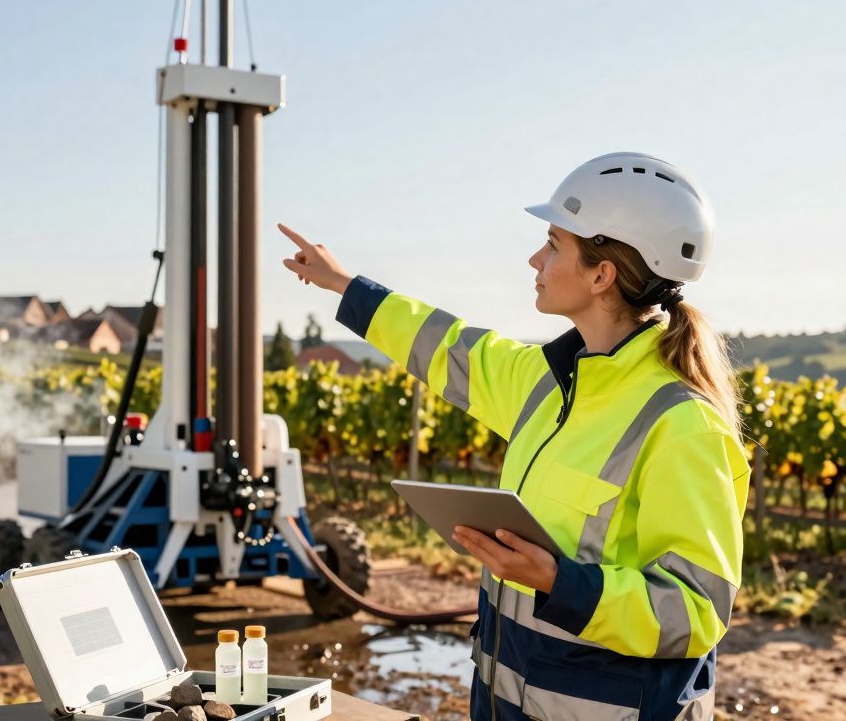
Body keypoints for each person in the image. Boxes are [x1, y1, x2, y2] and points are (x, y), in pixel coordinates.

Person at [278, 152, 749, 721]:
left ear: (601, 275)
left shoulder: (685, 426)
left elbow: (695, 613)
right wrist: (345, 285)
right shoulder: (546, 383)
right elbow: (444, 345)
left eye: (553, 244)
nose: (535, 258)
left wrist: (557, 581)